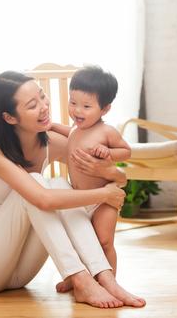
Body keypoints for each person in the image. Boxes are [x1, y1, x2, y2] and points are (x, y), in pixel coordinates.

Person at [0, 71, 145, 309]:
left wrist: (114, 175)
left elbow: (105, 171)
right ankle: (81, 279)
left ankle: (105, 277)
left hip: (19, 274)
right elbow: (42, 199)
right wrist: (104, 194)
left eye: (43, 97)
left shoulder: (49, 142)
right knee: (38, 184)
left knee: (58, 185)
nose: (45, 107)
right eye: (33, 105)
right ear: (10, 117)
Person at [51, 66, 131, 293]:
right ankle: (75, 277)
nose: (77, 110)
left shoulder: (107, 132)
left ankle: (110, 281)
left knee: (104, 242)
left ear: (105, 109)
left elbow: (126, 151)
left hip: (103, 199)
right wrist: (53, 125)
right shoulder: (77, 129)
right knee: (78, 243)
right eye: (73, 102)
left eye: (86, 106)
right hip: (79, 198)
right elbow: (71, 133)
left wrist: (109, 154)